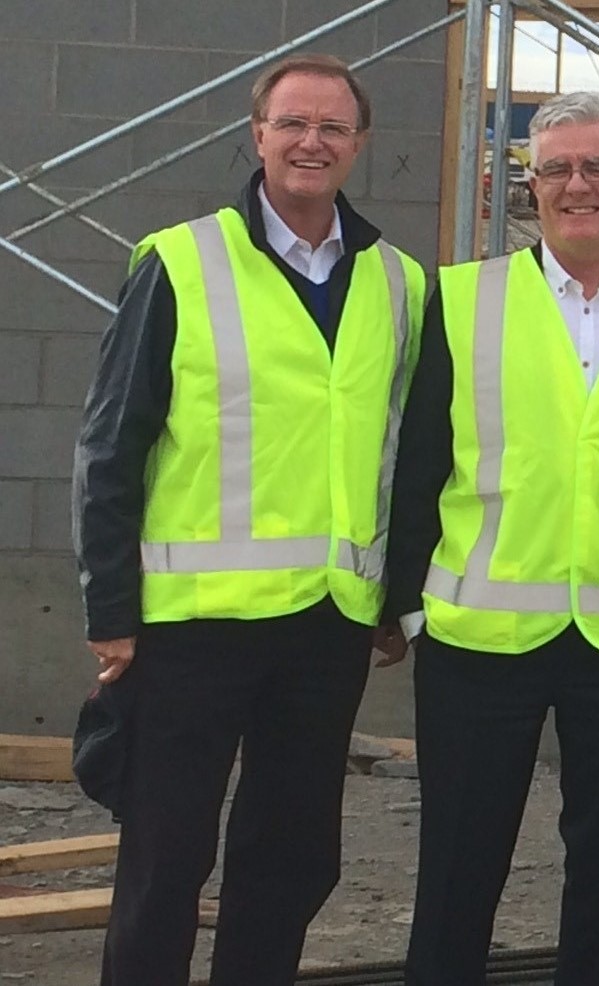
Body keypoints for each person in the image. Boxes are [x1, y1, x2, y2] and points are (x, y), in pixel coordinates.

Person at [72, 53, 424, 985]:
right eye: (293, 123)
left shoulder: (400, 284)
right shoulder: (179, 263)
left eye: (333, 128)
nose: (313, 142)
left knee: (292, 859)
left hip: (325, 627)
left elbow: (405, 458)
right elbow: (111, 442)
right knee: (166, 861)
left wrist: (393, 597)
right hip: (192, 627)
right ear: (257, 134)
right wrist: (111, 608)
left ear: (360, 145)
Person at [383, 91, 599, 985]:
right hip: (475, 636)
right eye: (557, 169)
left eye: (598, 167)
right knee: (459, 867)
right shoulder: (458, 301)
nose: (578, 185)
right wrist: (408, 606)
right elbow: (416, 462)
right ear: (528, 186)